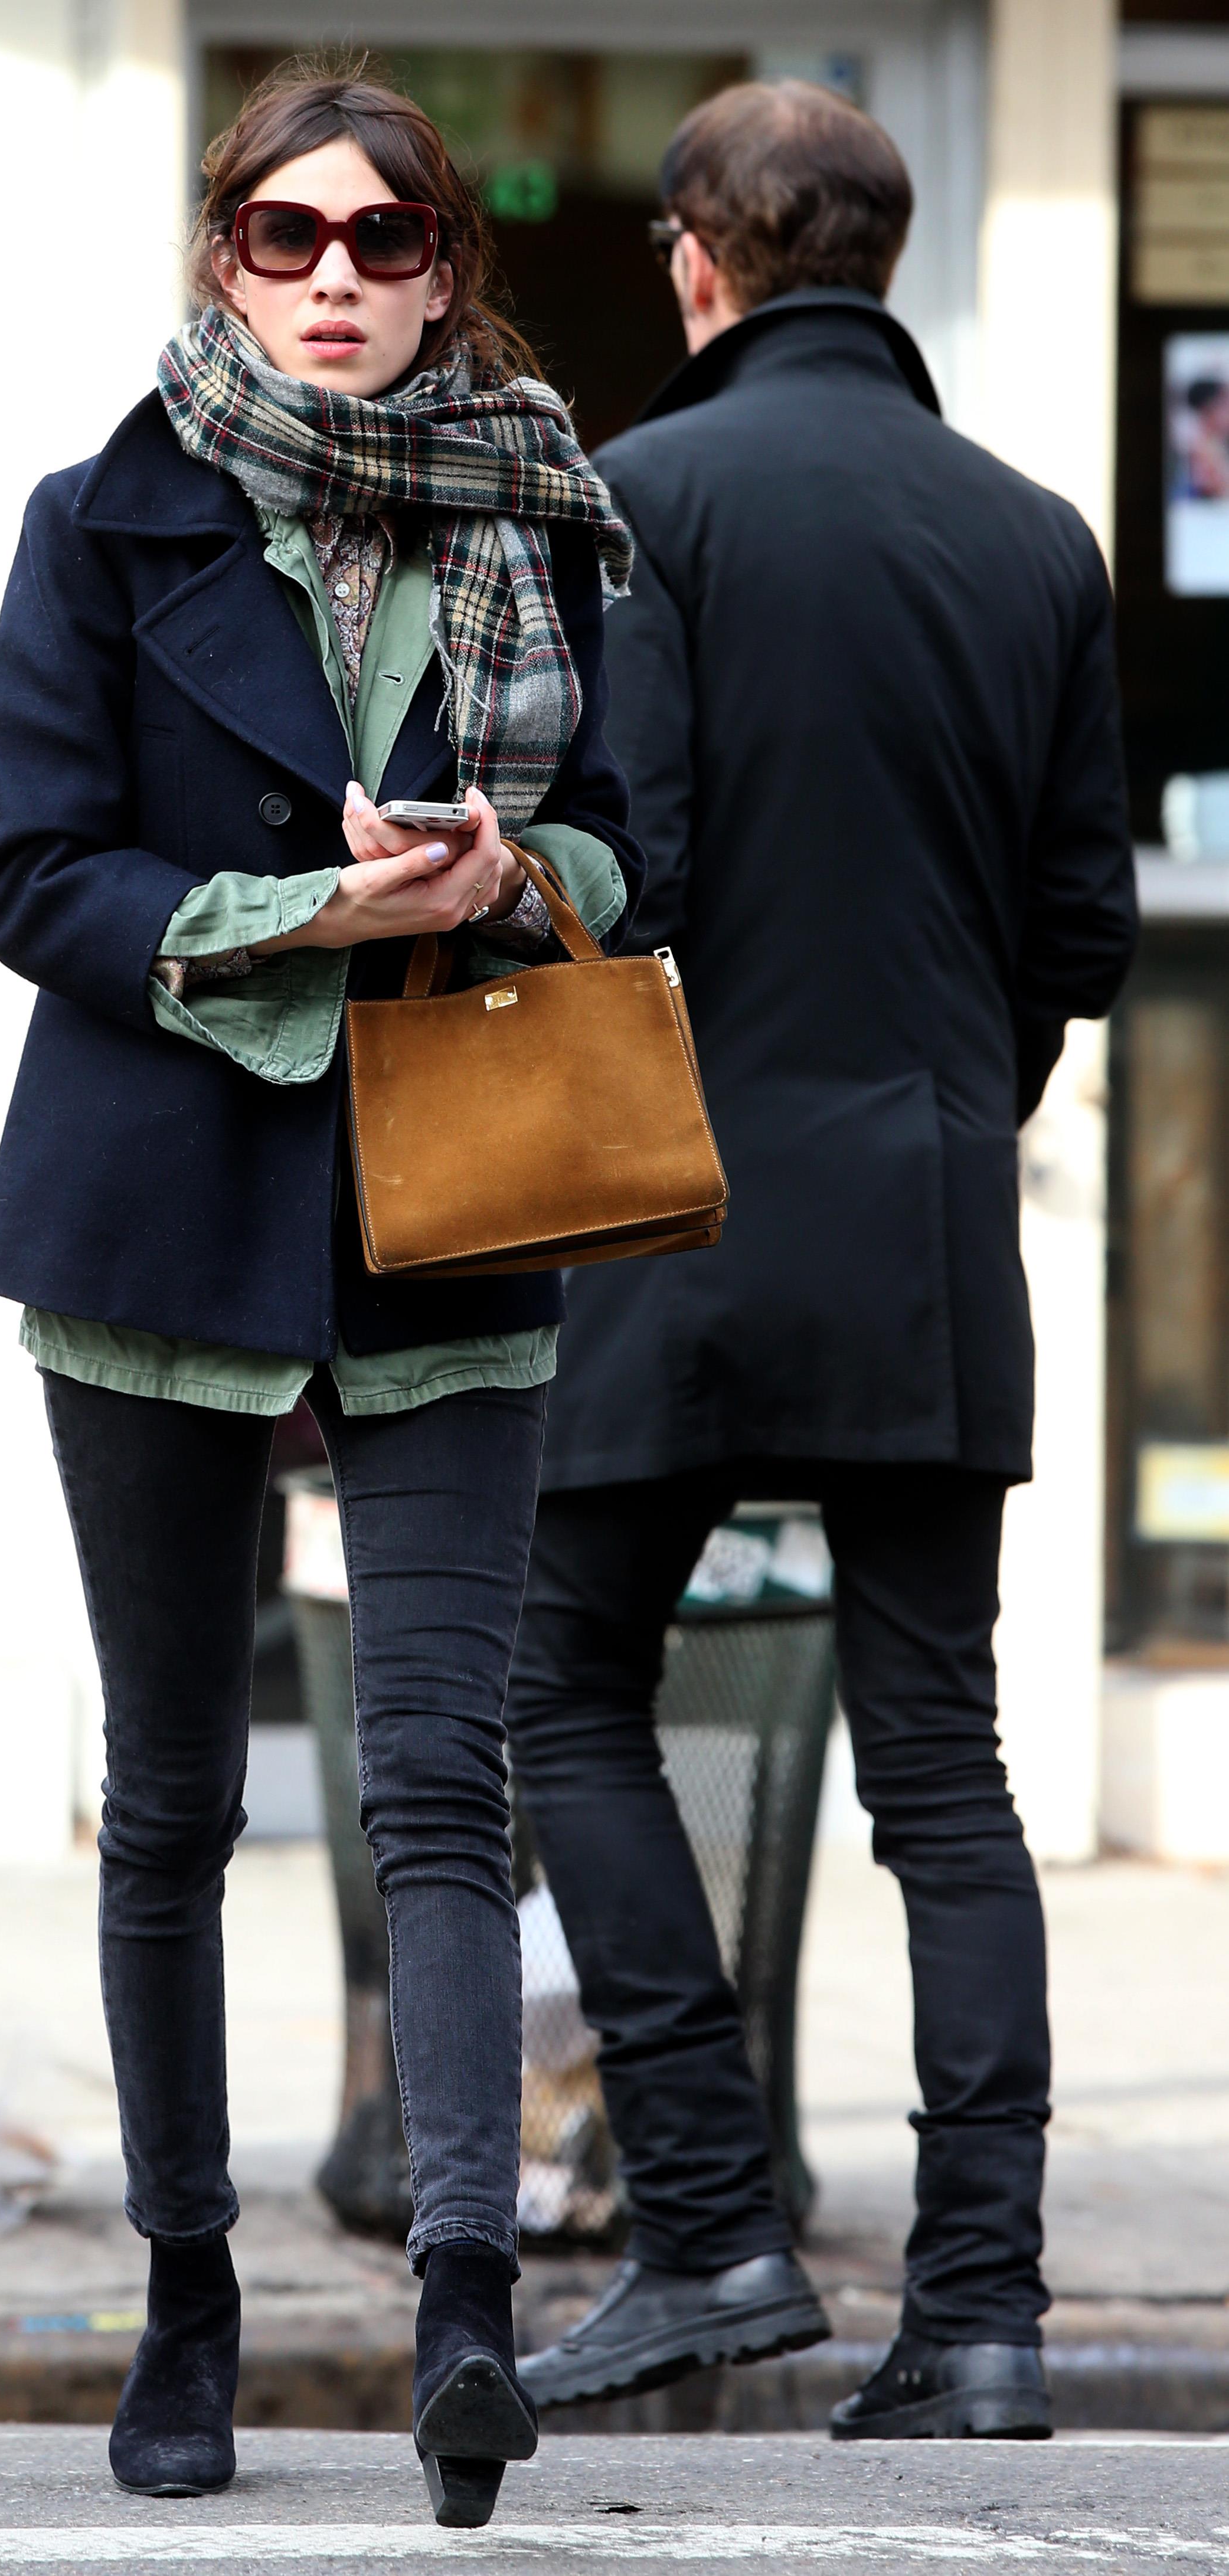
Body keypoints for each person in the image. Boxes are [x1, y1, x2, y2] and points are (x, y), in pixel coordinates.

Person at [0, 63, 641, 2526]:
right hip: (151, 1215)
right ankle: (187, 2297)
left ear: (445, 268)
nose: (332, 276)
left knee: (431, 1783)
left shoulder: (546, 527)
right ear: (219, 258)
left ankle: (466, 2306)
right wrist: (293, 917)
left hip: (442, 1198)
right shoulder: (97, 520)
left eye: (378, 239)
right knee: (167, 1806)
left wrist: (500, 868)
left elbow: (624, 840)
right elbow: (28, 875)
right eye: (282, 235)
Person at [506, 79, 1138, 2441]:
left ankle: (704, 2221)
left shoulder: (633, 502)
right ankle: (975, 2318)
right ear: (875, 254)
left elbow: (620, 870)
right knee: (945, 1774)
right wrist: (944, 1130)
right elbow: (1073, 927)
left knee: (558, 1695)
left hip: (655, 1211)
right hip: (919, 1221)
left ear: (697, 262)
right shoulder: (1035, 538)